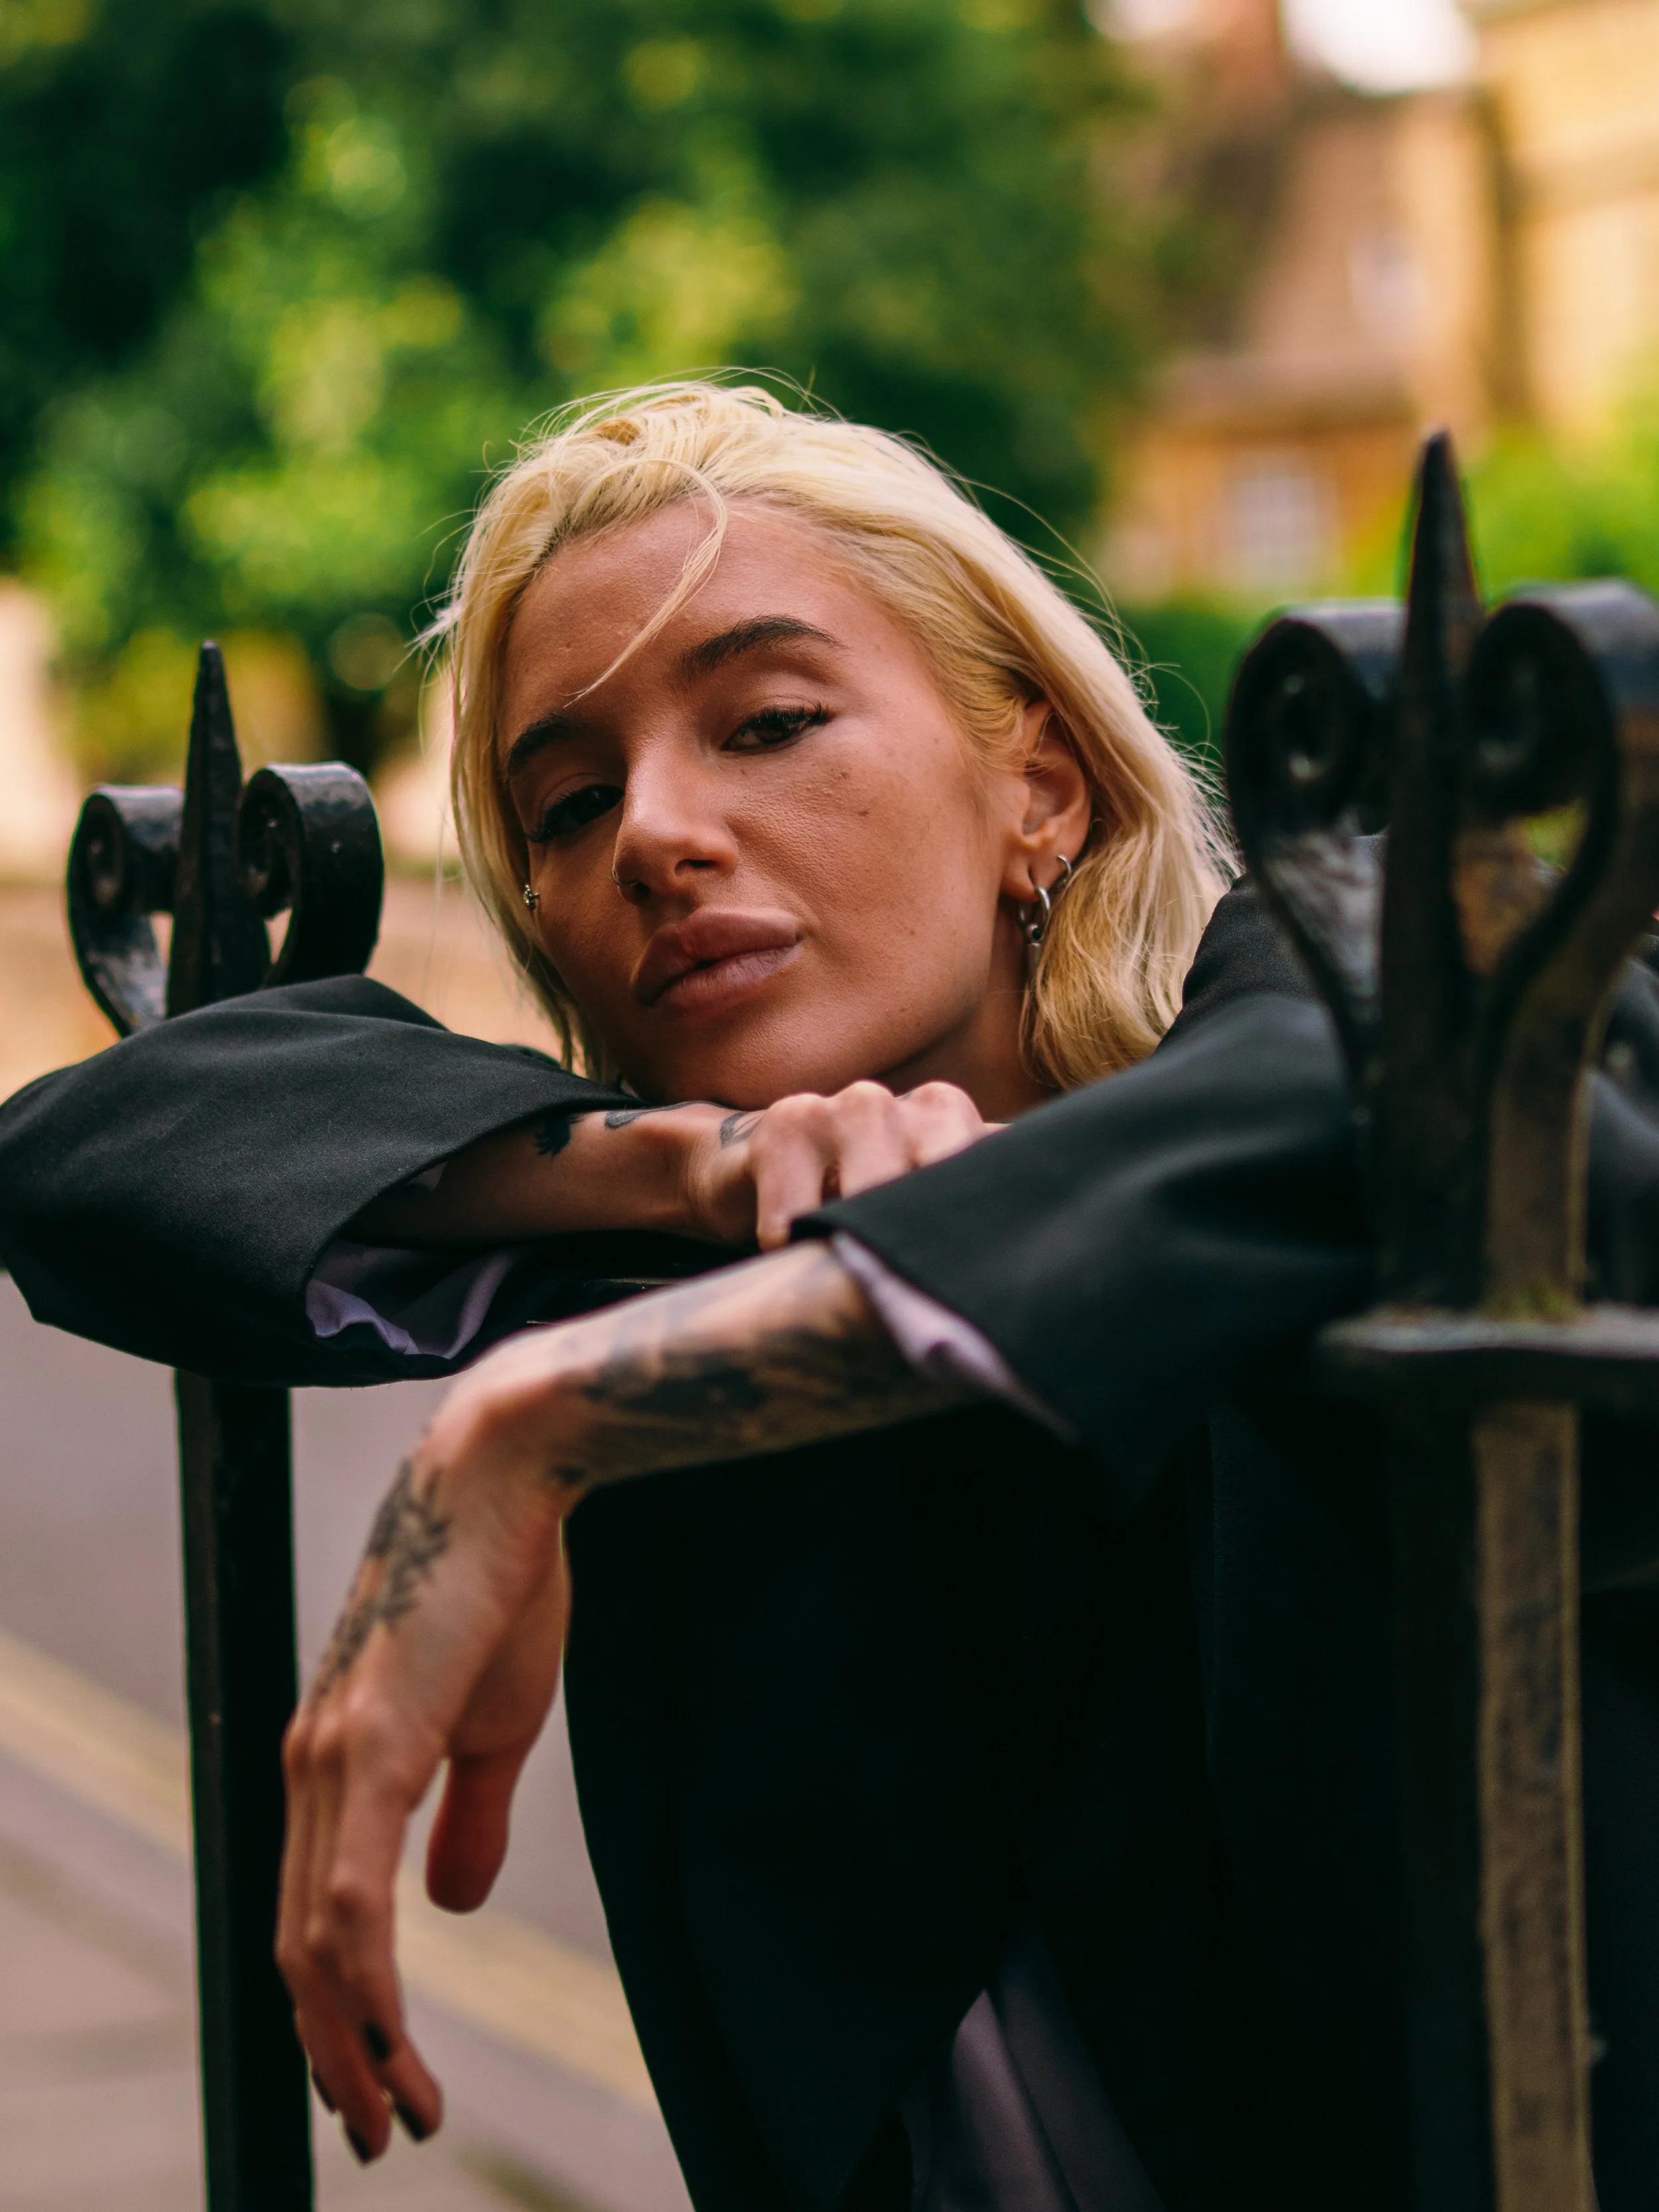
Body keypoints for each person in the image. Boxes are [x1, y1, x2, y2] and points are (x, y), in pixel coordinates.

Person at [4, 381, 1659, 2212]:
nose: (651, 830)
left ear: (1037, 787)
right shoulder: (682, 1260)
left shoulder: (1314, 1029)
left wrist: (563, 1414)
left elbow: (1399, 1106)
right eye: (567, 800)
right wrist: (684, 1167)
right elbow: (99, 1145)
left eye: (769, 719)